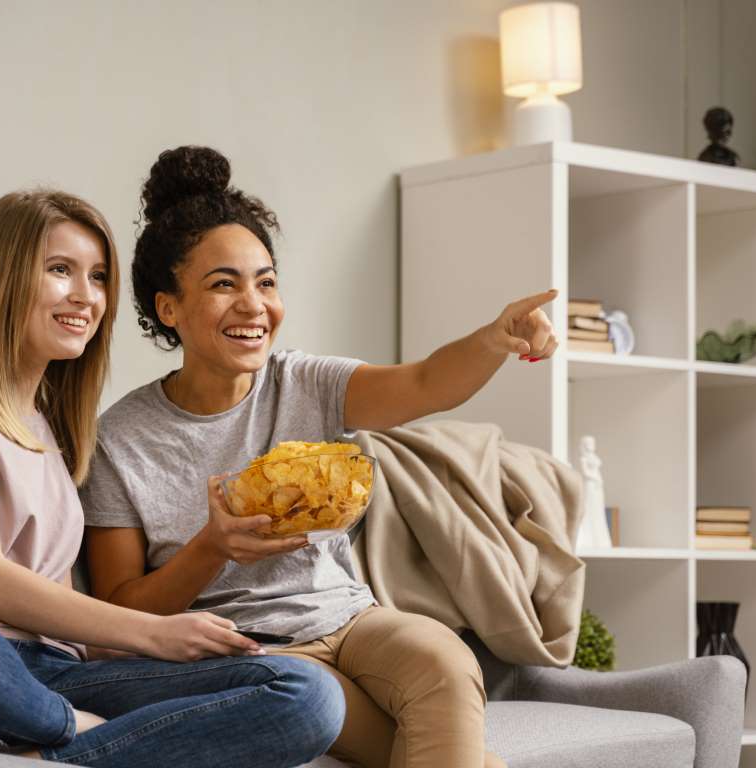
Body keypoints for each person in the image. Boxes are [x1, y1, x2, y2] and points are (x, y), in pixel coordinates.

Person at [82, 146, 558, 768]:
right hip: (253, 652)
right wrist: (212, 547)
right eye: (224, 284)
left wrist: (493, 341)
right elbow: (119, 611)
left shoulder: (304, 382)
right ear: (168, 307)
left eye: (267, 282)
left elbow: (422, 384)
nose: (254, 305)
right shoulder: (121, 439)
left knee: (445, 660)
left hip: (353, 619)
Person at [0, 188, 344, 767]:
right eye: (60, 271)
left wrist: (174, 647)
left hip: (54, 670)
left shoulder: (55, 430)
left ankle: (58, 759)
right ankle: (66, 733)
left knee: (307, 694)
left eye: (99, 276)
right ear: (3, 278)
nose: (87, 296)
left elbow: (73, 624)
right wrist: (154, 634)